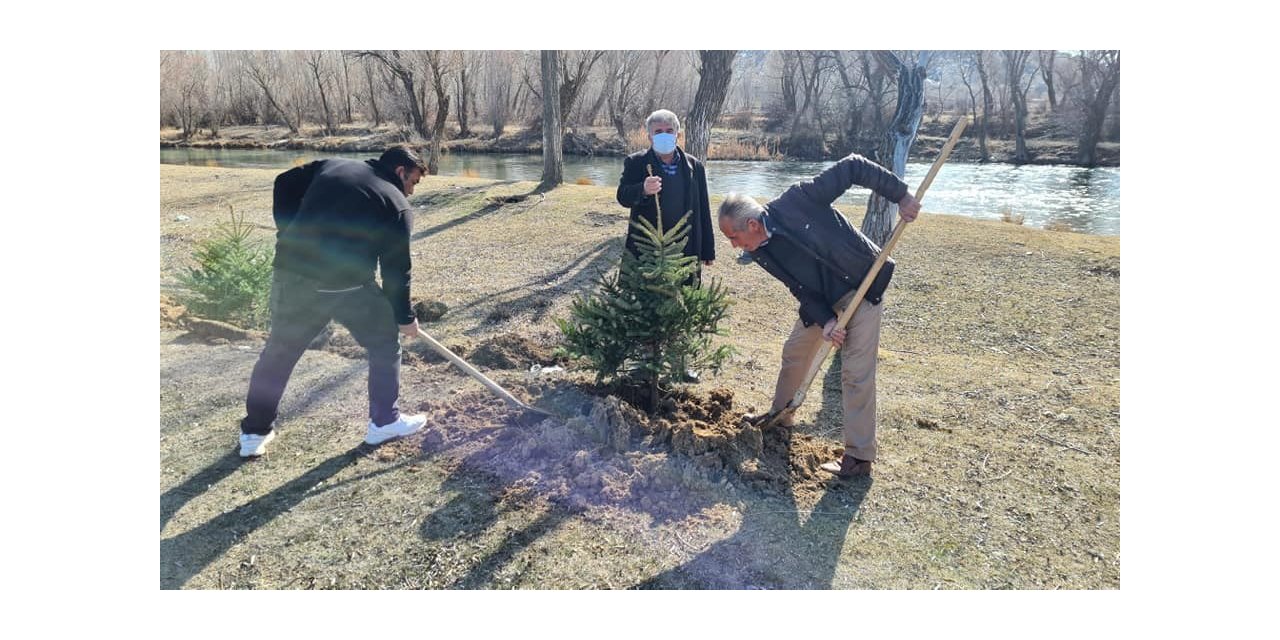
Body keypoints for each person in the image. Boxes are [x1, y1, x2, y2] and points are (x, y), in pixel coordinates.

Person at [716, 154, 922, 478]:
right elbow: (799, 288)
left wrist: (901, 195)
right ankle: (780, 420)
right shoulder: (760, 252)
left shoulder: (801, 199)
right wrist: (826, 320)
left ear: (752, 225)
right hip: (824, 299)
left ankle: (858, 457)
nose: (733, 246)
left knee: (856, 372)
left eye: (733, 237)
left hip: (862, 286)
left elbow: (854, 165)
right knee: (795, 351)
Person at [237, 144, 429, 458]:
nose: (410, 192)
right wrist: (404, 317)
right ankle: (384, 422)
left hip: (292, 274)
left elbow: (284, 182)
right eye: (413, 183)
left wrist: (289, 231)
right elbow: (396, 270)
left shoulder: (334, 165)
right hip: (347, 287)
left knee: (279, 351)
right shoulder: (395, 204)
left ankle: (254, 434)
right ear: (400, 171)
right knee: (385, 343)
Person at [616, 109, 715, 280]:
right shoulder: (636, 162)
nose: (664, 135)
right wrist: (642, 189)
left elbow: (703, 209)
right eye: (658, 132)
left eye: (669, 131)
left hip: (686, 244)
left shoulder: (694, 166)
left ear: (678, 135)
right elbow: (622, 196)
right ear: (650, 136)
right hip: (647, 246)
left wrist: (707, 249)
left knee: (684, 289)